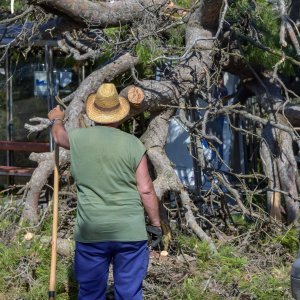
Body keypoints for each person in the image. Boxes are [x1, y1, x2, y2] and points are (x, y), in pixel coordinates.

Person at [48, 83, 162, 300]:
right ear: (119, 115)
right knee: (129, 294)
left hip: (92, 231)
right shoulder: (133, 144)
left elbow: (59, 136)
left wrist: (57, 119)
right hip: (129, 231)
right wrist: (156, 224)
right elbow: (146, 190)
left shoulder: (79, 139)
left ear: (94, 113)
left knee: (90, 294)